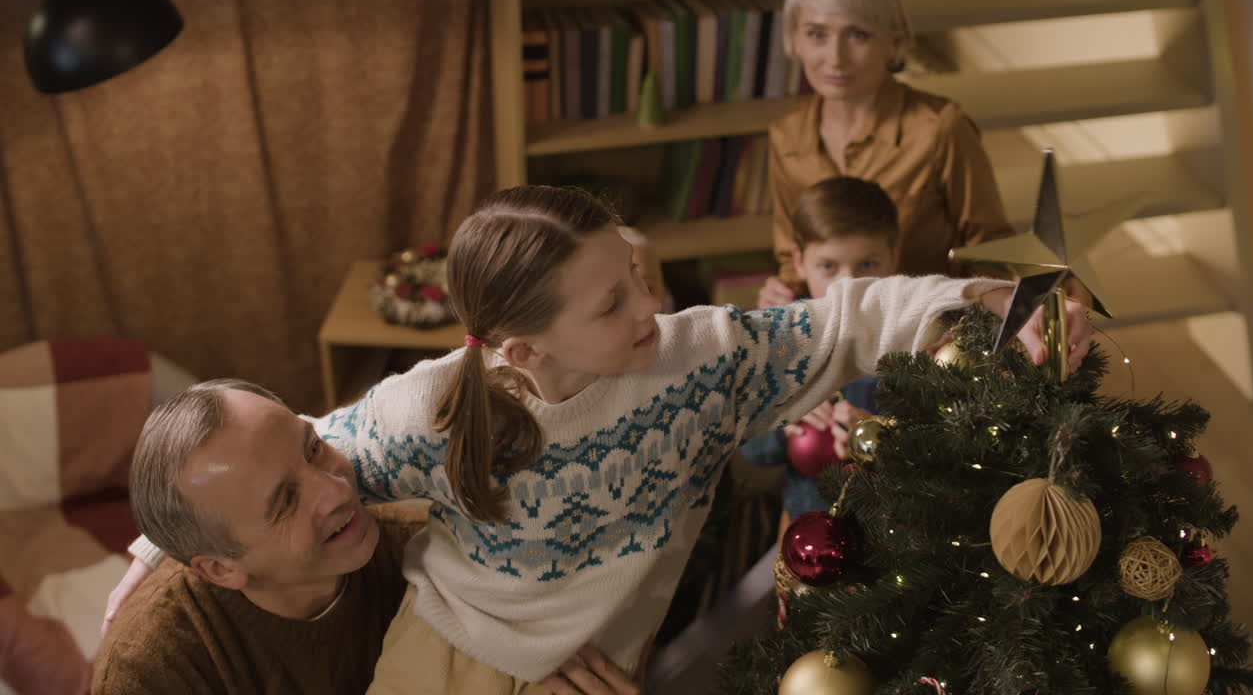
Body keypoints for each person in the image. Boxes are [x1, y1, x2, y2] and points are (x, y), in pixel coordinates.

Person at [113, 185, 1089, 691]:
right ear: (524, 347)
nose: (647, 310)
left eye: (633, 278)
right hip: (442, 653)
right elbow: (281, 458)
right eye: (611, 301)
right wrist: (152, 545)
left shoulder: (700, 361)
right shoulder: (436, 408)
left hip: (591, 671)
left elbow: (848, 322)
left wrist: (1002, 301)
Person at [95, 379, 638, 695]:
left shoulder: (425, 553)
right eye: (285, 502)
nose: (335, 491)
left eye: (313, 448)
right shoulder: (151, 670)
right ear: (218, 568)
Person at [758, 0, 1015, 309]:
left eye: (857, 34)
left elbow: (991, 248)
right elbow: (793, 255)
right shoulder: (786, 134)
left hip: (930, 331)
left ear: (894, 40)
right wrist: (782, 291)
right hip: (834, 328)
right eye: (817, 34)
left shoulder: (940, 129)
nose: (836, 58)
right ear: (794, 38)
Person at [739, 176, 898, 537]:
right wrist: (786, 416)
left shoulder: (912, 338)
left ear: (894, 257)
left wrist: (875, 434)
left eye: (868, 264)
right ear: (799, 262)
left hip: (893, 532)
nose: (849, 285)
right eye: (828, 267)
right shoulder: (782, 337)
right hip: (808, 532)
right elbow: (751, 450)